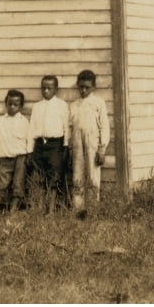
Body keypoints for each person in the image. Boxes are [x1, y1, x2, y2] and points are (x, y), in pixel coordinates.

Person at [68, 69, 109, 217]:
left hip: (93, 142)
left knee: (92, 176)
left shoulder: (98, 103)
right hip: (77, 142)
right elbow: (70, 127)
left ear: (93, 87)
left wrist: (102, 148)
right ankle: (79, 210)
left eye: (87, 87)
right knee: (77, 176)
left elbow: (104, 126)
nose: (83, 90)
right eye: (81, 87)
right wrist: (70, 146)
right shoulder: (74, 105)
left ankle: (93, 210)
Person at [28, 74, 69, 212]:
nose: (46, 91)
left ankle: (51, 209)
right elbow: (32, 128)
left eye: (49, 88)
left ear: (55, 89)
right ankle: (39, 207)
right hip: (39, 145)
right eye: (43, 88)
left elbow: (66, 127)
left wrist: (65, 146)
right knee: (39, 175)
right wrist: (30, 150)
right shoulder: (37, 106)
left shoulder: (61, 105)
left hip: (55, 144)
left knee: (54, 176)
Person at [0, 89, 31, 214]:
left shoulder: (24, 121)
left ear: (21, 106)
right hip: (5, 156)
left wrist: (28, 155)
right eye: (10, 104)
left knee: (18, 184)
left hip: (20, 157)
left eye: (16, 105)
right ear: (6, 103)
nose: (12, 107)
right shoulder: (1, 121)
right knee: (1, 184)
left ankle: (12, 211)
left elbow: (28, 139)